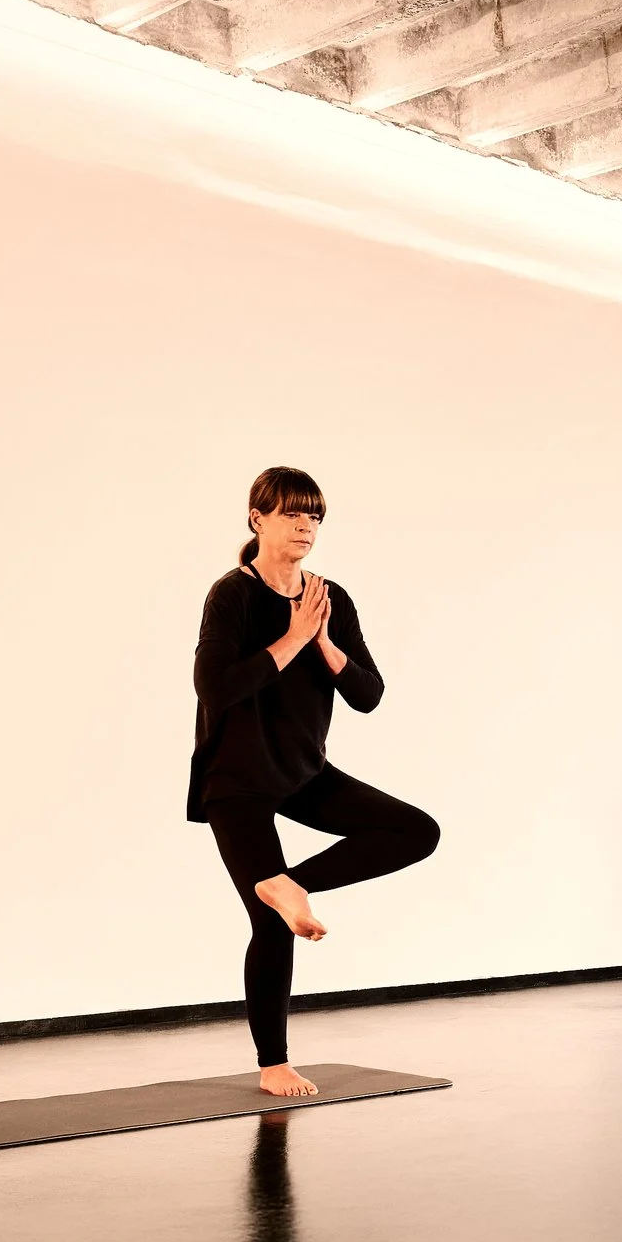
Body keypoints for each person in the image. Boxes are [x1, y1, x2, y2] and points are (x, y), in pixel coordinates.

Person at [190, 467, 439, 1097]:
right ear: (258, 520)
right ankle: (274, 1063)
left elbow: (369, 694)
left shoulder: (331, 598)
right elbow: (215, 688)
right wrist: (292, 637)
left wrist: (324, 642)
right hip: (237, 780)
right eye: (292, 514)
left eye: (315, 517)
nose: (305, 526)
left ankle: (289, 883)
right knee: (269, 924)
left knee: (415, 830)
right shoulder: (233, 595)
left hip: (303, 772)